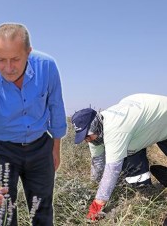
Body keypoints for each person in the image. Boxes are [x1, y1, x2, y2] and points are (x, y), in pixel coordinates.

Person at [0, 23, 67, 225]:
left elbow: (56, 107)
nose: (8, 68)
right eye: (1, 60)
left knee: (42, 210)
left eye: (16, 59)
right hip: (2, 151)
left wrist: (56, 148)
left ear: (29, 51)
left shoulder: (47, 66)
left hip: (39, 148)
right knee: (5, 214)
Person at [71, 93, 167, 221]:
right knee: (130, 154)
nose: (86, 141)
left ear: (97, 127)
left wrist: (97, 204)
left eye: (87, 136)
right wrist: (93, 185)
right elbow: (98, 162)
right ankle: (145, 194)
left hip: (162, 117)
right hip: (144, 126)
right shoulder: (94, 136)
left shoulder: (116, 130)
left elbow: (112, 169)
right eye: (83, 137)